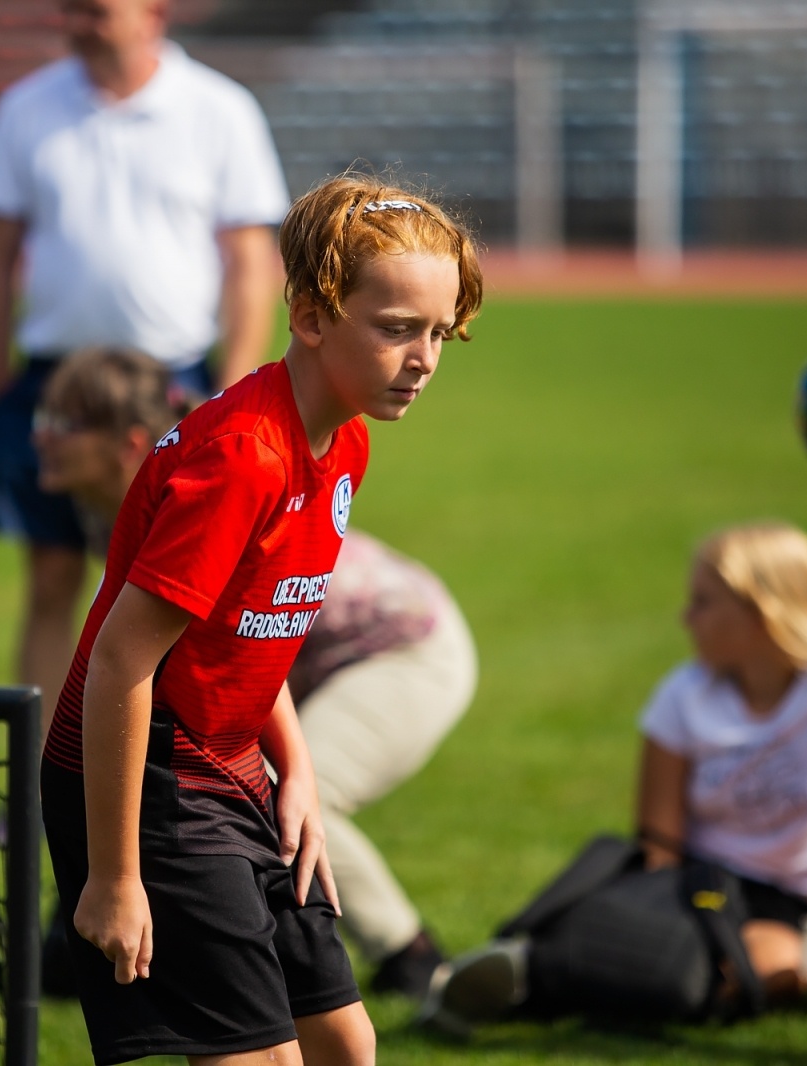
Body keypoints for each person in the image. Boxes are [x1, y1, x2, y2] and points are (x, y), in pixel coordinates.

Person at [38, 174, 483, 1065]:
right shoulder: (243, 456)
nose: (424, 358)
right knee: (264, 1057)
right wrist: (115, 876)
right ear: (311, 316)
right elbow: (122, 661)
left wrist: (300, 772)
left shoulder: (345, 437)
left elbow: (253, 634)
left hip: (236, 765)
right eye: (397, 328)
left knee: (344, 1042)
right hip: (157, 781)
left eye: (441, 332)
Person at [427, 522, 807, 1025]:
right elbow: (659, 843)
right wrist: (643, 923)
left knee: (754, 966)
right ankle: (541, 976)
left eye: (702, 602)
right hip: (694, 883)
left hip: (788, 901)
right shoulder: (683, 694)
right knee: (652, 954)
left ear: (761, 610)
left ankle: (539, 982)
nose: (686, 618)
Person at [0, 0, 288, 720]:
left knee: (170, 587)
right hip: (51, 383)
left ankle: (161, 763)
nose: (77, 22)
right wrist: (0, 386)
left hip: (170, 382)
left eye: (96, 9)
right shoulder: (25, 107)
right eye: (70, 9)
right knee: (51, 578)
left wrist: (228, 393)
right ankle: (45, 767)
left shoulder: (219, 110)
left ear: (153, 11)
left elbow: (249, 263)